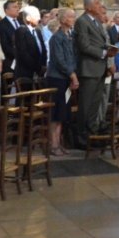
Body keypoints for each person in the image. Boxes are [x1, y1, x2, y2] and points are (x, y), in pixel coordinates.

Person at [74, 0, 115, 140]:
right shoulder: (82, 22)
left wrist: (110, 50)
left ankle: (91, 132)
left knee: (94, 104)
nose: (99, 6)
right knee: (85, 104)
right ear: (88, 7)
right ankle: (81, 136)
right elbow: (84, 45)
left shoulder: (96, 22)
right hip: (89, 69)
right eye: (97, 4)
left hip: (100, 68)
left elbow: (100, 41)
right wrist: (104, 53)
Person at [45, 8, 78, 155]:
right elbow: (59, 60)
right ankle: (53, 144)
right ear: (63, 19)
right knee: (56, 113)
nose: (73, 19)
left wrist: (73, 74)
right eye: (71, 17)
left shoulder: (69, 36)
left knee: (62, 113)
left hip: (65, 78)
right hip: (57, 78)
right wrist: (72, 75)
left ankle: (59, 143)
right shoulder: (57, 38)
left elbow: (72, 58)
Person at [13, 6, 48, 87]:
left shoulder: (38, 31)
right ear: (28, 18)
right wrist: (37, 67)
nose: (39, 19)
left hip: (39, 72)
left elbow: (43, 49)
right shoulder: (21, 31)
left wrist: (43, 65)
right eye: (36, 16)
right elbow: (23, 53)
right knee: (26, 98)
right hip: (25, 72)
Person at [0, 0, 22, 78]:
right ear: (6, 10)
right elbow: (4, 45)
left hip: (21, 63)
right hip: (10, 62)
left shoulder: (21, 22)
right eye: (14, 7)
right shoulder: (1, 25)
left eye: (18, 7)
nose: (18, 9)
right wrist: (19, 55)